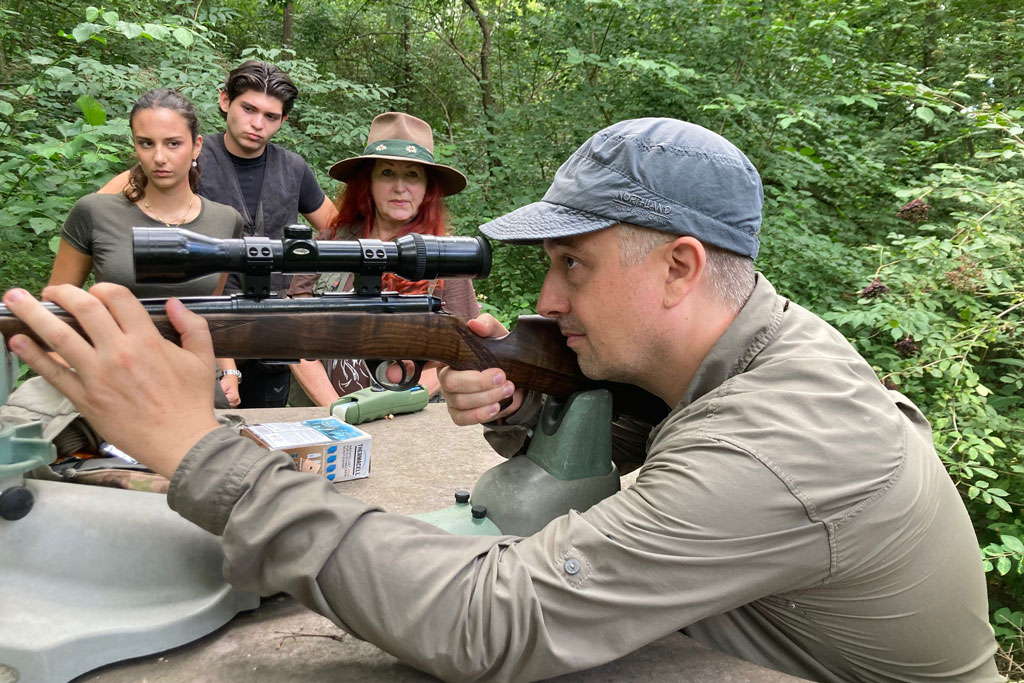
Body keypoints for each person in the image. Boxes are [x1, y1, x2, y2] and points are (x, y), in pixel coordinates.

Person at [3, 118, 1001, 682]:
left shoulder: (782, 437)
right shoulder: (775, 346)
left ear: (681, 266)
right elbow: (674, 439)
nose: (549, 299)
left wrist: (196, 449)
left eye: (571, 263)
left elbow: (492, 625)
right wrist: (535, 408)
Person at [99, 61, 338, 409]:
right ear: (225, 101)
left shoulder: (293, 168)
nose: (257, 124)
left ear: (283, 121)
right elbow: (100, 210)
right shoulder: (189, 154)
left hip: (272, 330)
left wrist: (303, 291)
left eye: (271, 117)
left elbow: (337, 229)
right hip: (201, 322)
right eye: (249, 109)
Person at [50, 87, 244, 407]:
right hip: (113, 384)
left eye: (173, 143)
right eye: (146, 143)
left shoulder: (225, 221)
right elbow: (55, 307)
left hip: (192, 383)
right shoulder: (95, 212)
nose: (159, 158)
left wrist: (229, 372)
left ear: (196, 146)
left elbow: (211, 310)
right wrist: (66, 381)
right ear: (135, 145)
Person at [287, 112, 479, 406]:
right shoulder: (329, 243)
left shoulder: (447, 257)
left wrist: (392, 402)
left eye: (413, 175)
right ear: (369, 182)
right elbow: (294, 336)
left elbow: (460, 350)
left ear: (427, 187)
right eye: (387, 173)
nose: (400, 187)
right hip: (326, 420)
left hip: (412, 419)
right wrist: (339, 410)